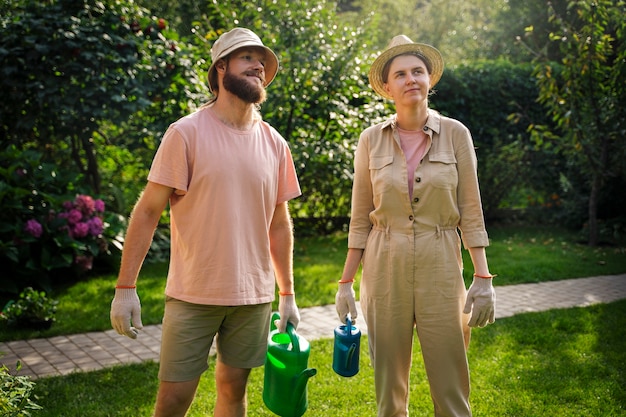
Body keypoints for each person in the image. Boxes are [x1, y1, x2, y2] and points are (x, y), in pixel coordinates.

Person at [110, 27, 302, 417]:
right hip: (193, 294)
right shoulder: (185, 133)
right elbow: (148, 211)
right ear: (221, 68)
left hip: (253, 297)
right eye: (247, 57)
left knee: (233, 391)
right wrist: (125, 288)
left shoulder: (274, 142)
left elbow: (279, 224)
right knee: (174, 400)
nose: (259, 66)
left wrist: (288, 294)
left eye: (262, 61)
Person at [334, 35, 496, 417]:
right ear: (387, 87)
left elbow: (471, 209)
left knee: (451, 383)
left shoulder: (456, 133)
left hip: (440, 259)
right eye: (401, 73)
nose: (411, 79)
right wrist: (345, 284)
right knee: (389, 388)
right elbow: (360, 217)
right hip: (383, 262)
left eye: (418, 72)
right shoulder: (370, 140)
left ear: (429, 80)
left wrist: (483, 277)